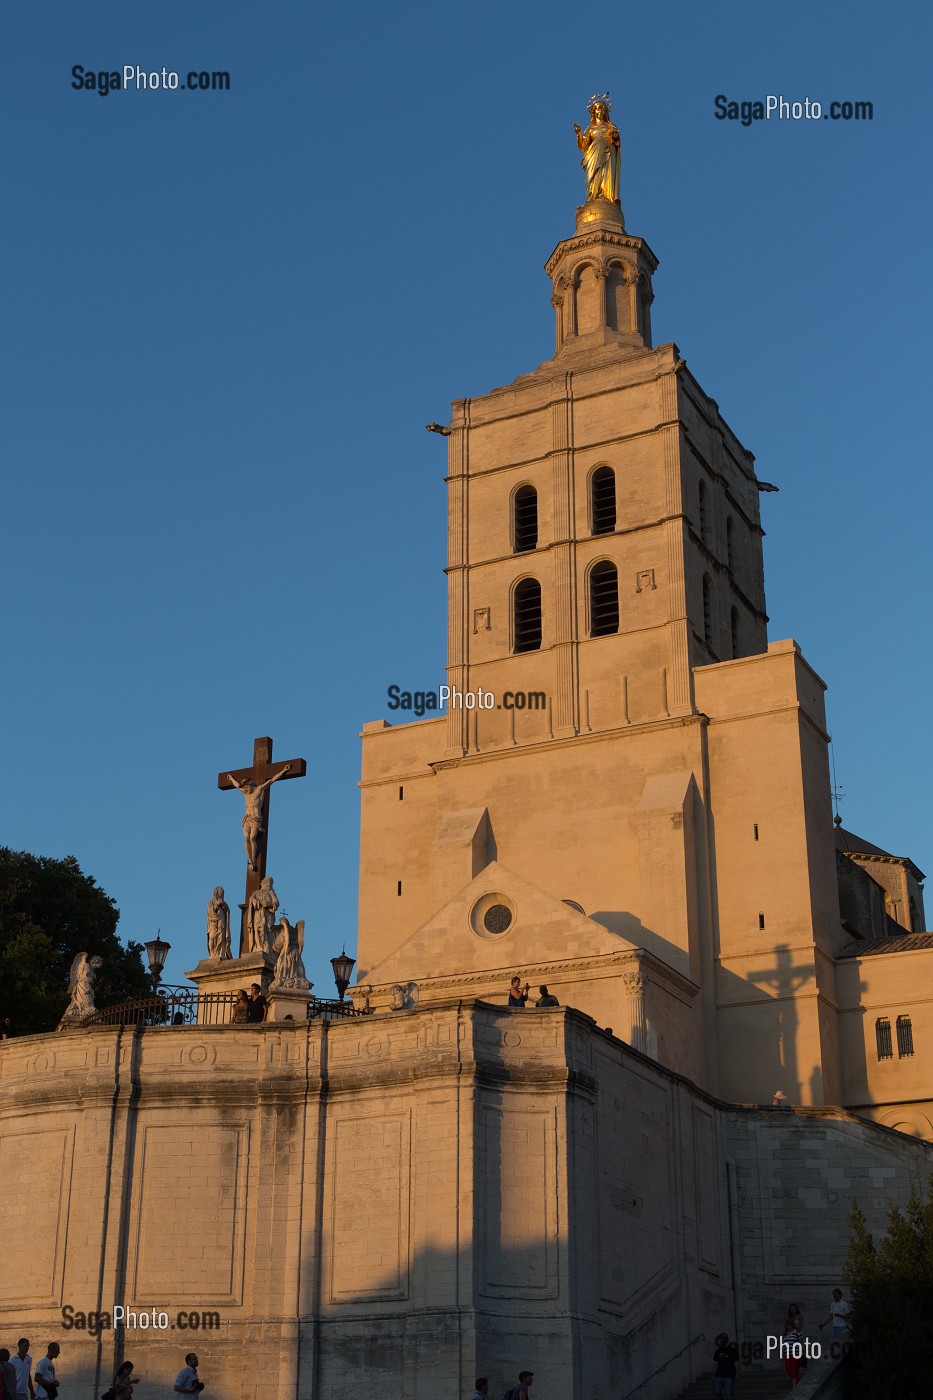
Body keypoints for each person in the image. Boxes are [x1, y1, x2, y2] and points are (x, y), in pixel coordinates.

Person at [226, 765, 291, 871]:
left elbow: (272, 780)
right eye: (244, 788)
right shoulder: (246, 792)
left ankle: (254, 858)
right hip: (247, 817)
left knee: (252, 838)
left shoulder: (259, 789)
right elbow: (237, 785)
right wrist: (231, 778)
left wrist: (284, 770)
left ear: (250, 784)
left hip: (256, 818)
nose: (245, 790)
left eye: (246, 787)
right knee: (246, 837)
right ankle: (250, 859)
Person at [573, 94, 621, 204]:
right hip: (594, 156)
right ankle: (594, 194)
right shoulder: (590, 129)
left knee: (605, 174)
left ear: (605, 112)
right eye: (597, 109)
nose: (599, 112)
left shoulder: (611, 127)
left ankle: (605, 194)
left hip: (607, 153)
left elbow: (616, 138)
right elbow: (584, 145)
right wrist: (579, 134)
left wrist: (614, 136)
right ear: (593, 113)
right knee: (593, 177)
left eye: (602, 109)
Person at [711, 1333, 739, 1398]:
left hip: (729, 1375)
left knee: (729, 1394)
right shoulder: (717, 1351)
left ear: (727, 1340)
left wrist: (737, 1374)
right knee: (717, 1393)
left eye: (724, 1338)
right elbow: (716, 1363)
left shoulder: (732, 1351)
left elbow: (736, 1363)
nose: (722, 1340)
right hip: (719, 1376)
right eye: (721, 1338)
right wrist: (713, 1374)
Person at [783, 1308, 803, 1387]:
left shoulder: (797, 1332)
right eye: (788, 1325)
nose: (789, 1326)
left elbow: (802, 1342)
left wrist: (803, 1351)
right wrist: (781, 1354)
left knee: (794, 1368)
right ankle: (796, 1378)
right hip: (787, 1354)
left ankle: (794, 1385)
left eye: (790, 1325)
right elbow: (783, 1344)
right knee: (788, 1369)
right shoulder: (785, 1334)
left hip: (795, 1353)